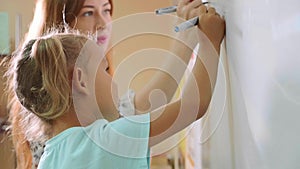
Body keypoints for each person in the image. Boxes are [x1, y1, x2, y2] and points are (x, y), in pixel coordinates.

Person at [6, 0, 225, 168]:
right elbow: (193, 105)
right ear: (81, 81)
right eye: (105, 69)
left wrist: (189, 39)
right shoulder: (107, 140)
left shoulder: (49, 158)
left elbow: (143, 105)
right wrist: (210, 41)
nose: (112, 77)